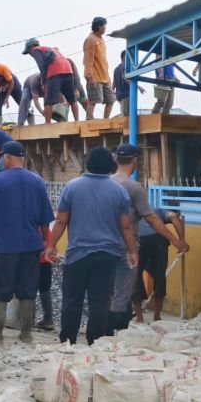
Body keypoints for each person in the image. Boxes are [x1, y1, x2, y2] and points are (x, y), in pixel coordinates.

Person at [46, 147, 138, 345]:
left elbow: (61, 221)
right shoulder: (119, 191)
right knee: (100, 301)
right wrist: (132, 250)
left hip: (77, 254)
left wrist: (51, 245)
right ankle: (95, 341)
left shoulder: (72, 187)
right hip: (107, 255)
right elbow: (126, 225)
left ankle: (68, 340)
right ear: (110, 165)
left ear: (88, 164)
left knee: (72, 300)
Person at [0, 141, 54, 344]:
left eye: (4, 156)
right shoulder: (37, 181)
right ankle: (26, 334)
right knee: (28, 290)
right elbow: (45, 220)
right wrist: (47, 244)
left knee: (1, 289)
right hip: (31, 246)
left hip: (4, 247)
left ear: (8, 158)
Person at [111, 144, 189, 329]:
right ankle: (136, 322)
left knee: (112, 286)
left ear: (115, 160)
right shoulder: (134, 188)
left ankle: (128, 319)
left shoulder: (106, 184)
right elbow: (154, 219)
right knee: (130, 283)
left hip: (104, 242)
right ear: (135, 161)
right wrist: (176, 239)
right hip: (128, 245)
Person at [132, 206, 185, 323]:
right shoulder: (156, 210)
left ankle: (139, 317)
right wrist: (181, 240)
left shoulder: (129, 210)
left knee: (135, 276)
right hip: (158, 240)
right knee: (160, 276)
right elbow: (174, 216)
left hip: (138, 240)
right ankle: (157, 316)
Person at [23, 38, 80, 123]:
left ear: (31, 47)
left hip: (55, 72)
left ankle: (48, 124)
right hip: (68, 70)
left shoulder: (36, 50)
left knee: (48, 102)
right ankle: (77, 121)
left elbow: (41, 66)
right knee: (72, 99)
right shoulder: (50, 49)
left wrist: (44, 83)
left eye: (28, 52)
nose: (30, 54)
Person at [0, 55, 30, 125]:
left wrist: (7, 98)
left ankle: (31, 122)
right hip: (1, 88)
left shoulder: (2, 68)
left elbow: (11, 82)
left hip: (13, 85)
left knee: (22, 103)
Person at [83, 17, 116, 120]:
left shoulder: (101, 39)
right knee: (94, 100)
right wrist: (90, 77)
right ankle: (89, 119)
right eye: (104, 26)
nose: (105, 28)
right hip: (95, 76)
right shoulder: (90, 39)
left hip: (105, 76)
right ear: (99, 26)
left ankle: (105, 120)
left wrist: (108, 77)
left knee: (111, 99)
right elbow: (87, 60)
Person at [113, 50, 145, 117]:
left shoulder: (116, 69)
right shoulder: (125, 68)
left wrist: (112, 93)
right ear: (124, 58)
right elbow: (126, 79)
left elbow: (113, 84)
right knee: (126, 115)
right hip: (125, 95)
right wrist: (139, 87)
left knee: (123, 111)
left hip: (119, 95)